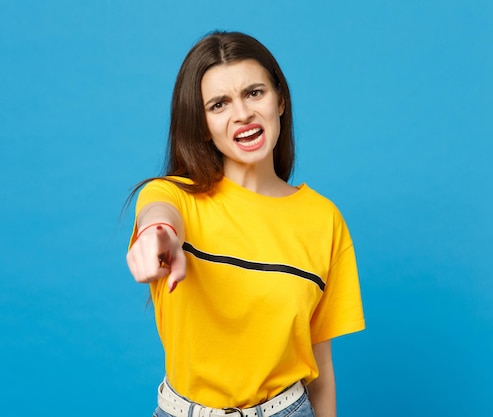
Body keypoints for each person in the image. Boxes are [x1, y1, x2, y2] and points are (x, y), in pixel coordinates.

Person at [126, 31, 365, 417]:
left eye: (254, 93)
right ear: (202, 124)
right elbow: (158, 217)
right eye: (219, 104)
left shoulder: (324, 219)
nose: (242, 113)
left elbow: (321, 370)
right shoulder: (173, 197)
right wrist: (159, 236)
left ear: (280, 100)